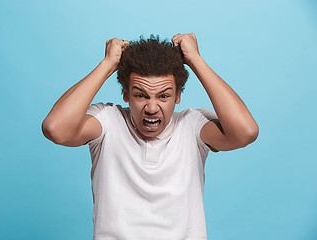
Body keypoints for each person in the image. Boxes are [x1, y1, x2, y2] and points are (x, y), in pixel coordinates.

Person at [41, 33, 259, 240]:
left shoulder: (192, 125)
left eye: (164, 96)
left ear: (178, 96)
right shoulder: (108, 120)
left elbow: (245, 132)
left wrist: (196, 61)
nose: (152, 107)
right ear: (126, 94)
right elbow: (55, 129)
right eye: (140, 95)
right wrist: (107, 65)